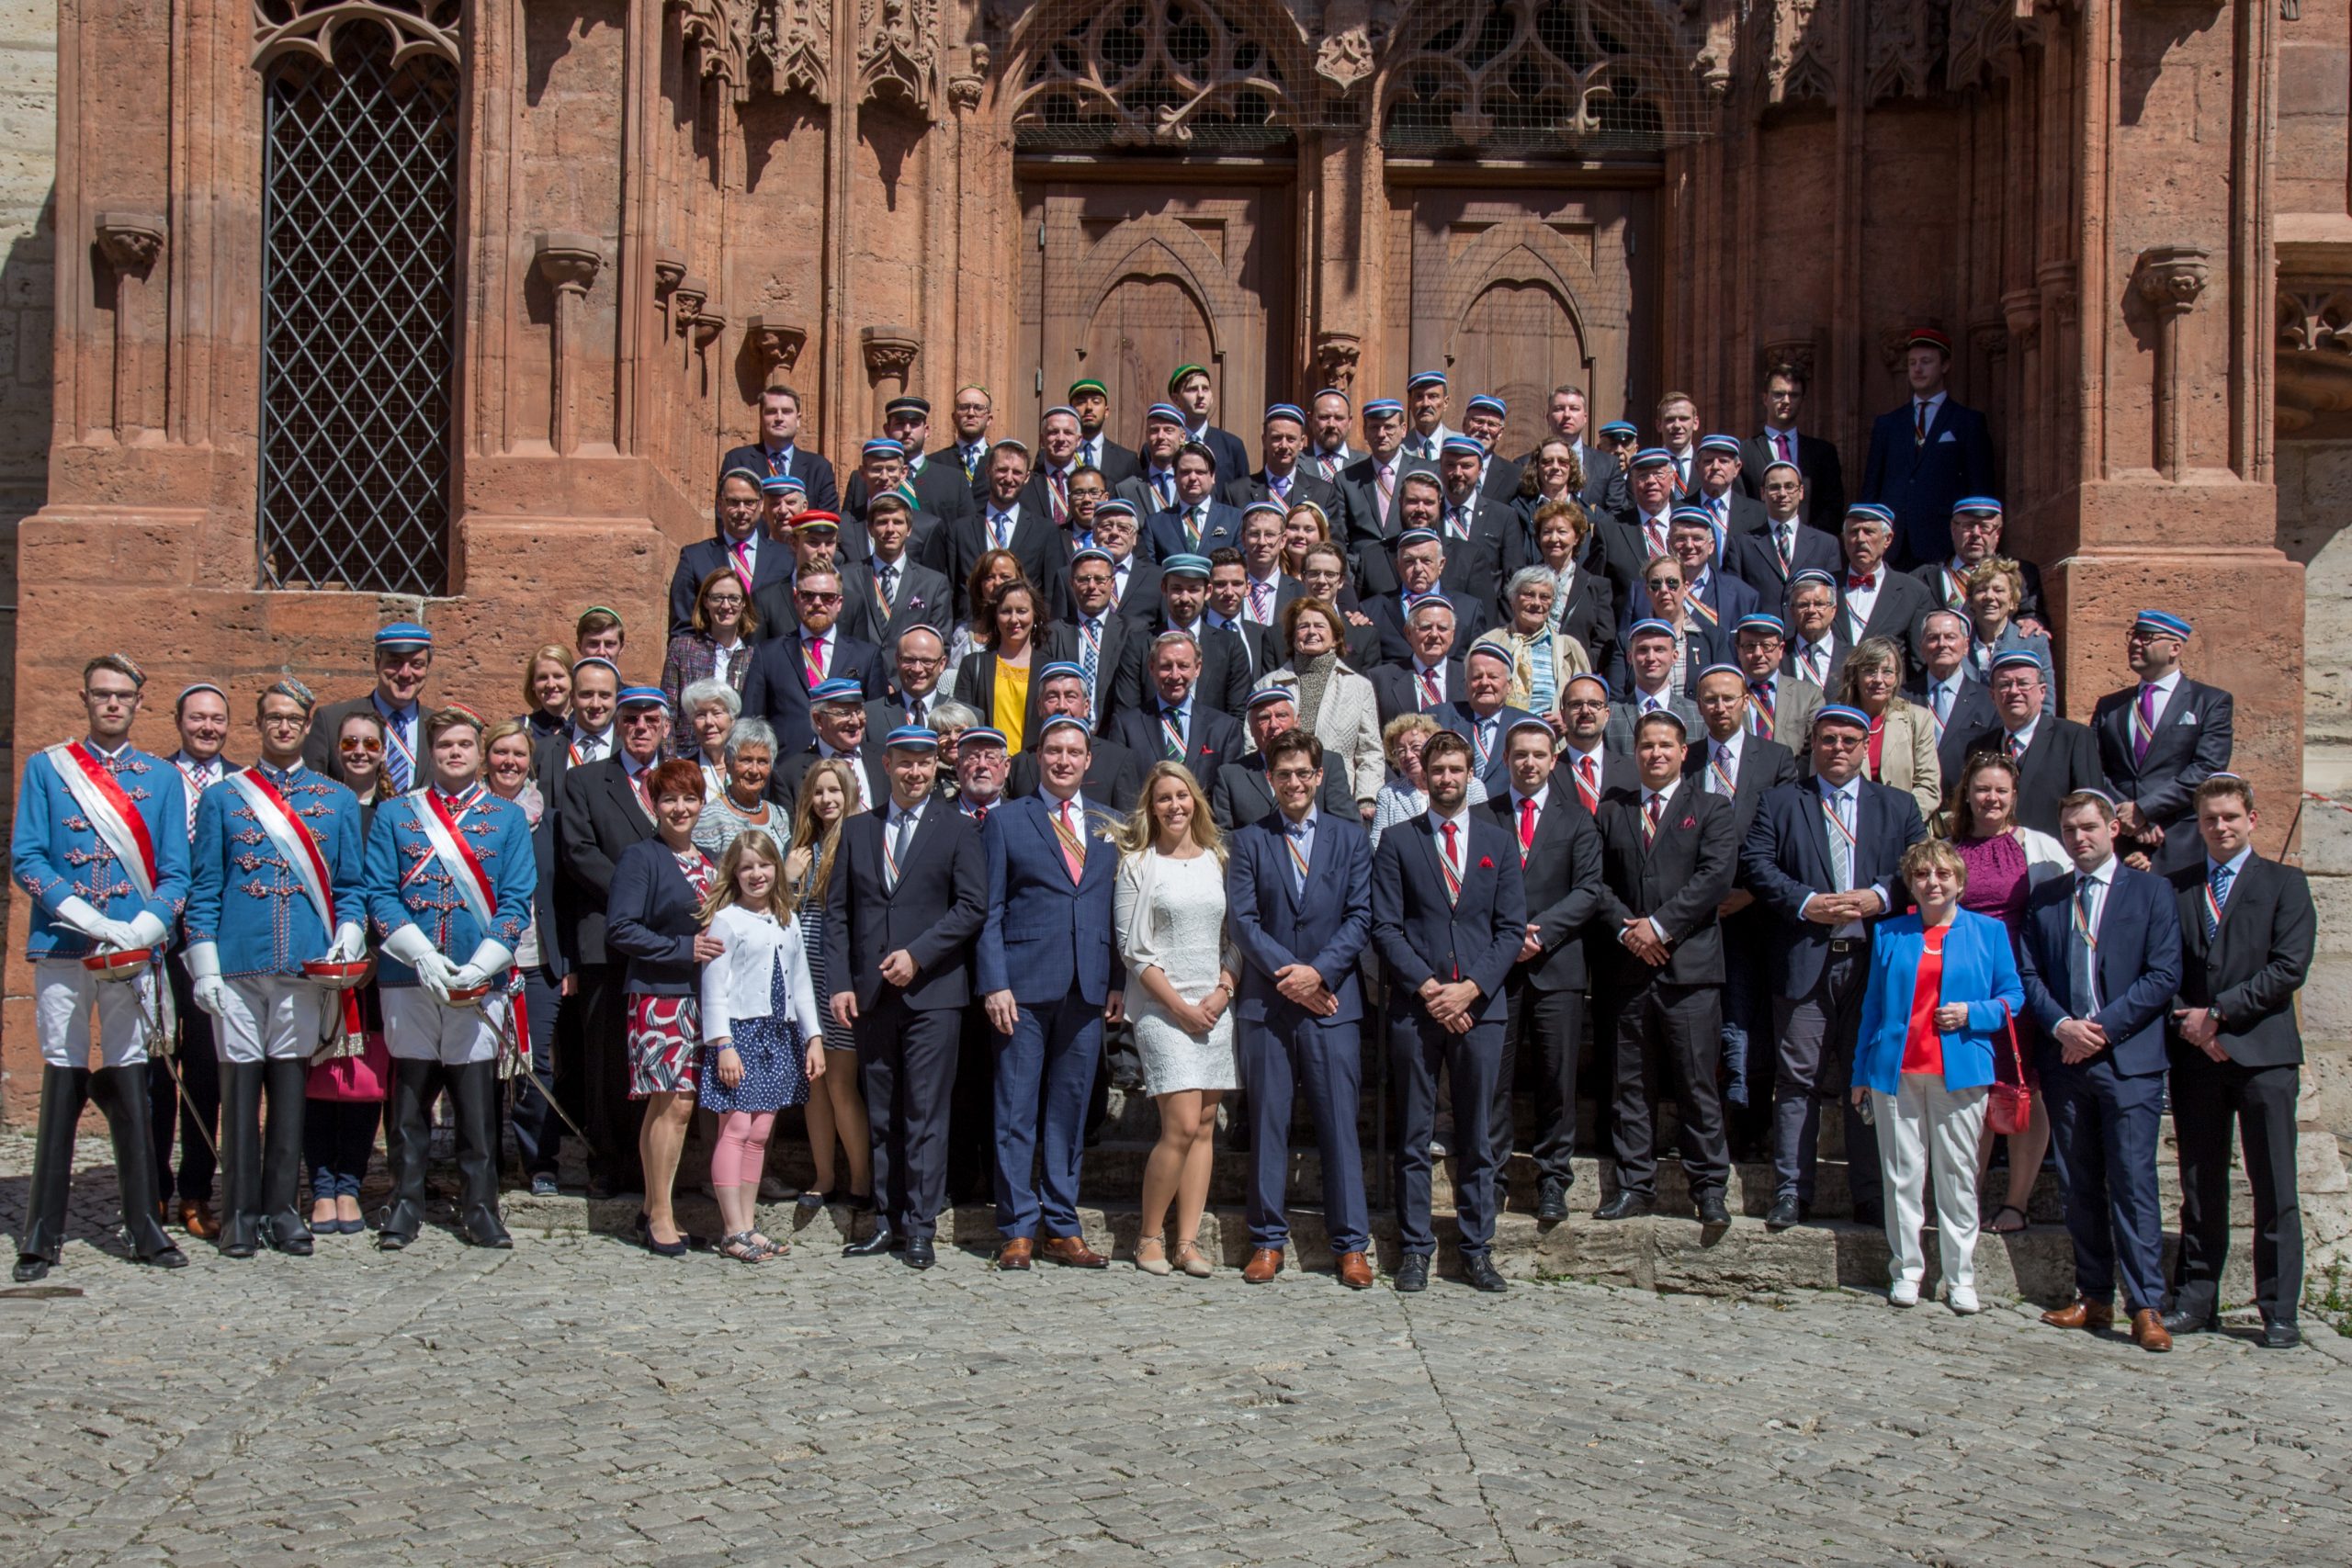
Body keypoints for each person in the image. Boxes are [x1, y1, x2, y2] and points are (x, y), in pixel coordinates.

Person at [12, 653, 191, 1282]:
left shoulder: (161, 778)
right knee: (62, 1070)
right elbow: (28, 858)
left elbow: (176, 874)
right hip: (64, 943)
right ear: (85, 698)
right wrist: (89, 919)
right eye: (101, 694)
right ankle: (41, 1232)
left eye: (123, 695)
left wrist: (141, 930)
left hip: (133, 950)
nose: (112, 703)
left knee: (133, 1073)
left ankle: (144, 1224)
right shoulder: (48, 767)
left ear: (139, 702)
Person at [184, 676, 366, 1258]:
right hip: (237, 965)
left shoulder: (336, 800)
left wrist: (348, 935)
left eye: (293, 718)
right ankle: (240, 1212)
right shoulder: (224, 797)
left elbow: (351, 887)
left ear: (308, 725)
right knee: (239, 1091)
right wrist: (205, 966)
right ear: (259, 724)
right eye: (273, 717)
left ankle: (283, 1209)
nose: (283, 726)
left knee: (289, 1091)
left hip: (302, 966)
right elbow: (205, 887)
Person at [1741, 703, 1928, 1231]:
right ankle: (1790, 1191)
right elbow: (1757, 864)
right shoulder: (1781, 801)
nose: (1838, 748)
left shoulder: (1898, 805)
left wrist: (1879, 897)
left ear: (1866, 747)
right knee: (1796, 1080)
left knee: (1866, 1079)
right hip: (1805, 961)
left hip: (1872, 965)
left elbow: (1919, 868)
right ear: (1814, 746)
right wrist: (1806, 903)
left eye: (1849, 740)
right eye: (1828, 740)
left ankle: (1869, 1194)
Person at [2016, 789, 2184, 1352]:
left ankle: (2146, 1304)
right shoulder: (2048, 897)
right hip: (2066, 1061)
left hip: (2127, 1062)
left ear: (2113, 828)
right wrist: (2063, 1026)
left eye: (2088, 827)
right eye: (2069, 829)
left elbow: (2163, 975)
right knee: (2078, 1183)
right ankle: (2094, 1295)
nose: (2078, 838)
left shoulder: (2152, 891)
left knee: (2133, 1183)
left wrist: (2101, 1029)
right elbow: (2029, 974)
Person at [364, 704, 534, 1252]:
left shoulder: (506, 818)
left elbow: (516, 901)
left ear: (479, 753)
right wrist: (420, 956)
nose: (454, 753)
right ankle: (405, 1203)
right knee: (408, 1101)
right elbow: (379, 893)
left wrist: (481, 967)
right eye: (444, 745)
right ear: (430, 752)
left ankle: (481, 1206)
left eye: (464, 744)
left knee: (476, 1104)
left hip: (477, 979)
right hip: (408, 977)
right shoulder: (396, 814)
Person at [2162, 776, 2316, 1348]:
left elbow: (2288, 967)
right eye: (2210, 818)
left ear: (2251, 820)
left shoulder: (2284, 884)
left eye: (2230, 817)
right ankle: (2196, 1299)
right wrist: (2193, 1024)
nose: (2220, 827)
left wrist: (2220, 1015)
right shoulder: (2176, 887)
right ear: (2199, 825)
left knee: (2274, 1184)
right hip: (2196, 1058)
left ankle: (2279, 1309)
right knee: (2200, 1184)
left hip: (2263, 1057)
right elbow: (2162, 967)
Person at [1372, 729, 1526, 1294]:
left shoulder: (1499, 841)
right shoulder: (1398, 840)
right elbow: (1385, 927)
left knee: (1477, 1134)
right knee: (1414, 1134)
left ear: (1469, 774)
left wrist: (1471, 989)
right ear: (1423, 775)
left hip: (1481, 1009)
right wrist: (1432, 989)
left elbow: (1510, 929)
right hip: (1418, 1007)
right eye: (1437, 770)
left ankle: (1477, 1249)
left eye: (1456, 769)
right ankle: (1415, 1249)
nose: (1446, 779)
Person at [827, 726, 987, 1269]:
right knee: (882, 1114)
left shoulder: (958, 828)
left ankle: (920, 1226)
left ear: (934, 769)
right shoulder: (857, 830)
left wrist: (918, 955)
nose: (914, 772)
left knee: (925, 1114)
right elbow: (838, 913)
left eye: (923, 764)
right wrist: (841, 982)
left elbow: (972, 906)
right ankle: (885, 1220)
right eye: (904, 762)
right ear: (887, 764)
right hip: (872, 996)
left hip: (933, 993)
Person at [1219, 730, 1375, 1285]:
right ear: (1270, 779)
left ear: (1319, 776)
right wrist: (1294, 977)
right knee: (1267, 1124)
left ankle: (1351, 1245)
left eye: (1303, 773)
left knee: (1339, 1125)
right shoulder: (1249, 841)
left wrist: (1319, 974)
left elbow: (1361, 915)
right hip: (1268, 1005)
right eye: (1283, 774)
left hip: (1333, 1003)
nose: (1294, 783)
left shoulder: (1349, 837)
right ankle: (1266, 1241)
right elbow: (1243, 922)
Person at [1850, 839, 2024, 1314]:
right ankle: (1906, 1270)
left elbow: (2013, 996)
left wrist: (1973, 1012)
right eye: (1923, 875)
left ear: (1960, 882)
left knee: (1957, 1175)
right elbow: (1872, 1007)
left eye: (1943, 874)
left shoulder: (1988, 932)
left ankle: (1960, 1276)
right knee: (1901, 1176)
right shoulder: (1891, 933)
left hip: (1960, 1069)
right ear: (1911, 884)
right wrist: (1860, 1071)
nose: (1933, 883)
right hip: (1895, 1071)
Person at [975, 716, 1124, 1269]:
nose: (1063, 761)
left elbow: (1117, 908)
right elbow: (989, 910)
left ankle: (1062, 1226)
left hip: (1087, 988)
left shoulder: (1109, 825)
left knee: (1070, 1111)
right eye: (1054, 751)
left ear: (1089, 761)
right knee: (1015, 1110)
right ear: (1038, 757)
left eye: (1073, 752)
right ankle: (1017, 1228)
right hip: (1022, 988)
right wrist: (994, 982)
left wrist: (1117, 980)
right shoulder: (1007, 820)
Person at [1590, 711, 1737, 1225]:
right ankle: (1635, 1184)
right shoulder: (1612, 811)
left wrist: (1660, 926)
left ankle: (1709, 1188)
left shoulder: (1713, 808)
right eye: (1647, 746)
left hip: (1690, 972)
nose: (1656, 754)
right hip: (1628, 970)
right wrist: (1629, 931)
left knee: (1697, 1083)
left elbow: (1715, 877)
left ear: (1683, 752)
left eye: (1665, 745)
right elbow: (1595, 883)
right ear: (1635, 753)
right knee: (1630, 1084)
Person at [1943, 751, 2070, 1235]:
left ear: (2014, 796)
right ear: (1967, 794)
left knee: (2023, 1090)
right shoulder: (1948, 849)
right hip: (1962, 985)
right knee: (1969, 1093)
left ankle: (2017, 1202)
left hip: (2019, 983)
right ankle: (1965, 1200)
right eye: (1982, 789)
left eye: (2000, 790)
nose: (1991, 798)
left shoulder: (2038, 847)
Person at [1485, 717, 1603, 1222]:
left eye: (1538, 755)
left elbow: (1589, 890)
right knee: (1494, 1080)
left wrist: (1538, 934)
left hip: (1558, 967)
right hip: (1497, 971)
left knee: (1557, 1079)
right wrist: (1509, 939)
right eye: (1520, 755)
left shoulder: (1577, 818)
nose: (1529, 763)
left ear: (1554, 760)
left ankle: (1554, 1179)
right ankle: (1490, 1179)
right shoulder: (1483, 816)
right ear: (1506, 760)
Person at [555, 683, 670, 1198]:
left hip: (667, 939)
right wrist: (637, 897)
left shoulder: (678, 778)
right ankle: (608, 1161)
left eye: (651, 720)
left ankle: (656, 1165)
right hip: (606, 936)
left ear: (665, 726)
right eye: (631, 719)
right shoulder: (584, 780)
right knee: (605, 1054)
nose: (641, 728)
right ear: (617, 725)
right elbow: (579, 853)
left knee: (659, 1050)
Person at [606, 760, 720, 1258]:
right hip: (660, 996)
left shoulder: (710, 859)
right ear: (653, 804)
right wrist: (682, 949)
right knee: (674, 1104)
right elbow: (621, 928)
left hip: (703, 997)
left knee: (669, 1106)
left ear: (701, 803)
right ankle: (661, 1217)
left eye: (689, 798)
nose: (680, 808)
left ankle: (653, 1208)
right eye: (669, 799)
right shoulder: (641, 857)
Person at [697, 831, 827, 1263]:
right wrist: (723, 1044)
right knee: (734, 1129)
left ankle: (749, 1224)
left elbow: (801, 983)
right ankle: (731, 1230)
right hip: (739, 1036)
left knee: (759, 1134)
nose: (757, 874)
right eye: (747, 867)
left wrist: (813, 1038)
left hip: (778, 1035)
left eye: (765, 865)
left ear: (777, 868)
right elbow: (714, 986)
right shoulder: (727, 920)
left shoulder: (786, 919)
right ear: (734, 873)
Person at [1687, 663, 1801, 1146]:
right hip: (1697, 913)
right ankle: (1700, 1127)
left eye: (1729, 698)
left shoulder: (1775, 758)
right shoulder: (1686, 757)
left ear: (1746, 702)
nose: (1720, 707)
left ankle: (1752, 1127)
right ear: (1698, 705)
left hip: (1757, 910)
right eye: (1710, 699)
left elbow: (1789, 834)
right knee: (1699, 1020)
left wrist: (1751, 892)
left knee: (1753, 1018)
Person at [306, 708, 391, 1232]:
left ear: (384, 753)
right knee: (316, 1075)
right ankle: (321, 1185)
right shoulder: (314, 804)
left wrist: (375, 952)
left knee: (364, 1078)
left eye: (370, 744)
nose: (360, 751)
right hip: (320, 960)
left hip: (376, 964)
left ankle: (350, 1183)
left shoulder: (395, 813)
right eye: (350, 743)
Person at [777, 758, 870, 1212]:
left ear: (849, 794)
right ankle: (824, 1176)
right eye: (818, 791)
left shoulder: (859, 839)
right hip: (801, 976)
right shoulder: (798, 848)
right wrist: (787, 877)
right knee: (813, 1082)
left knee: (840, 1082)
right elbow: (774, 911)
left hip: (840, 978)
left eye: (834, 790)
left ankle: (861, 1180)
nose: (826, 799)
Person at [157, 682, 232, 1240]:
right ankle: (151, 1186)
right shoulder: (154, 777)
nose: (207, 727)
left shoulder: (240, 785)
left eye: (216, 719)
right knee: (156, 1067)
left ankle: (195, 1190)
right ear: (179, 721)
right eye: (197, 718)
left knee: (206, 1068)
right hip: (156, 939)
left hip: (213, 941)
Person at [484, 717, 568, 1200]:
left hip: (537, 960)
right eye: (501, 752)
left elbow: (564, 893)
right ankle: (486, 1163)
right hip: (482, 960)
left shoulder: (549, 821)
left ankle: (541, 1163)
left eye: (518, 754)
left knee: (536, 1067)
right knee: (482, 1066)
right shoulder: (469, 818)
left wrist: (566, 963)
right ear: (486, 759)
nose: (510, 762)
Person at [2092, 609, 2233, 875]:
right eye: (2134, 636)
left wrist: (2145, 809)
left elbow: (2206, 768)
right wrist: (2127, 814)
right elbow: (2092, 767)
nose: (2135, 643)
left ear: (2175, 648)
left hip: (2178, 840)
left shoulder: (2208, 702)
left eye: (2147, 637)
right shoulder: (2110, 706)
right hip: (2119, 838)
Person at [1859, 327, 1997, 565]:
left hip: (1943, 541)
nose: (1917, 369)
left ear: (1945, 365)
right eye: (1912, 363)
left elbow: (1979, 486)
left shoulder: (1967, 421)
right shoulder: (1888, 424)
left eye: (1926, 362)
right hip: (1893, 542)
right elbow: (1872, 487)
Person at [740, 566, 889, 758]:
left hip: (846, 765)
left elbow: (877, 722)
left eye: (827, 597)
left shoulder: (866, 656)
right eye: (808, 595)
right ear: (796, 599)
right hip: (785, 766)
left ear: (839, 603)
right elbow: (750, 721)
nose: (817, 603)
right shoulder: (768, 654)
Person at [1258, 597, 1383, 811]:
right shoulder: (1267, 685)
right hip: (1281, 799)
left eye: (1320, 626)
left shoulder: (1359, 687)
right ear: (1292, 636)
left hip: (1339, 799)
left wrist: (1367, 798)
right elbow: (1253, 744)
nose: (1311, 632)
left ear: (1335, 638)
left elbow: (1370, 751)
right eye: (1303, 626)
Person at [1968, 651, 2106, 835]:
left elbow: (2091, 807)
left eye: (2023, 683)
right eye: (2005, 685)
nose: (2014, 691)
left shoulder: (2074, 738)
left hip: (2054, 850)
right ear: (1993, 696)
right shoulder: (1979, 747)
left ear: (2042, 692)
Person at [307, 621, 433, 789]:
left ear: (427, 668)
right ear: (377, 664)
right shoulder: (331, 721)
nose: (405, 673)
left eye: (417, 664)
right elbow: (309, 791)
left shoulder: (442, 729)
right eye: (395, 662)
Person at [670, 468, 792, 639]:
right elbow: (682, 630)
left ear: (761, 505)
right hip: (713, 654)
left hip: (770, 654)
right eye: (733, 502)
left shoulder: (786, 557)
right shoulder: (694, 558)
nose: (741, 510)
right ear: (720, 505)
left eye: (749, 502)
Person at [1111, 631, 1245, 785]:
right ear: (1152, 668)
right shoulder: (1126, 726)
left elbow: (1230, 789)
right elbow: (1121, 788)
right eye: (1166, 666)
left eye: (1183, 666)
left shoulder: (1224, 728)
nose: (1175, 675)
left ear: (1197, 668)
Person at [1835, 637, 1941, 819]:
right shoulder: (1835, 720)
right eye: (1870, 671)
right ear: (1855, 675)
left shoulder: (1918, 719)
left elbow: (1928, 786)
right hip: (1848, 822)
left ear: (1897, 677)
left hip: (1904, 824)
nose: (1878, 679)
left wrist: (1897, 821)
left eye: (1887, 672)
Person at [952, 577, 1058, 749]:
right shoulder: (973, 665)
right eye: (1006, 611)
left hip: (1033, 763)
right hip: (986, 761)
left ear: (1035, 615)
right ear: (995, 616)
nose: (1014, 619)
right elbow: (961, 724)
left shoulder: (1050, 670)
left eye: (1022, 611)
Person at [1737, 362, 1847, 528]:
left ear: (1802, 400)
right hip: (1758, 540)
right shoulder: (1744, 451)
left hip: (1811, 541)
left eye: (1794, 395)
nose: (1786, 401)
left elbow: (1833, 508)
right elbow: (1739, 506)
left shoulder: (1823, 453)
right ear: (1765, 398)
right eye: (1779, 394)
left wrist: (1806, 538)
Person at [1487, 566, 1594, 722]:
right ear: (1513, 600)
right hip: (1501, 733)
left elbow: (1587, 699)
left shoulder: (1570, 649)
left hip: (1552, 735)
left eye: (1544, 597)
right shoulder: (1490, 643)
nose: (1536, 603)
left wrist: (1567, 719)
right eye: (1528, 595)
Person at [661, 570, 758, 743]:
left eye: (734, 598)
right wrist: (670, 757)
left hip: (738, 753)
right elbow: (667, 712)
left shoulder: (754, 657)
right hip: (688, 752)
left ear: (743, 603)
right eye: (717, 598)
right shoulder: (682, 648)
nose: (726, 606)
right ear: (706, 601)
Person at [1368, 711, 1490, 847]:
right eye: (1401, 751)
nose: (1408, 755)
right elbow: (1378, 843)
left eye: (1415, 747)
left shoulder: (1472, 787)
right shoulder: (1389, 794)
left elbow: (1485, 834)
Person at [1525, 499, 1617, 679]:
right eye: (1547, 532)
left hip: (1578, 676)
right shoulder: (1523, 581)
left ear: (1576, 538)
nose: (1554, 539)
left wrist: (1577, 667)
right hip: (1530, 675)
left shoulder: (1596, 586)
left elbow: (1604, 641)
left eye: (1562, 532)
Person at [1909, 608, 2000, 787]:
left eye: (1950, 637)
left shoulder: (1989, 701)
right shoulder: (1902, 698)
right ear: (1921, 647)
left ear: (1966, 646)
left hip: (1965, 800)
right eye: (1933, 638)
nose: (1942, 644)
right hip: (1912, 797)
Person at [1733, 461, 1844, 604]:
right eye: (1774, 487)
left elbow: (1833, 600)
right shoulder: (1742, 545)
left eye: (1789, 486)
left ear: (1801, 491)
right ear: (1762, 493)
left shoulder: (1826, 544)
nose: (1782, 494)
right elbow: (1734, 598)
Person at [720, 382, 839, 511]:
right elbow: (724, 513)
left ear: (798, 419)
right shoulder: (737, 461)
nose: (779, 418)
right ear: (761, 417)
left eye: (786, 412)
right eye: (771, 412)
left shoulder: (819, 468)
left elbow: (828, 520)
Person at [693, 718, 787, 860]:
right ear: (728, 763)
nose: (754, 770)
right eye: (746, 760)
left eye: (762, 762)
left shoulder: (779, 815)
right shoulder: (710, 817)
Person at [1731, 613, 1821, 748]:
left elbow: (1815, 748)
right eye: (1750, 646)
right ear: (1738, 650)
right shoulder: (1726, 696)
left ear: (1780, 649)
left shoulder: (1808, 696)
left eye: (1766, 646)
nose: (1758, 654)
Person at [944, 549, 1025, 692]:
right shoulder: (963, 634)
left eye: (1005, 577)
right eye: (989, 578)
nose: (997, 583)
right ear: (979, 585)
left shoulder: (1029, 632)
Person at [1168, 362, 1250, 483]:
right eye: (1192, 389)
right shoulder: (1162, 445)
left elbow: (1243, 490)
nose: (1201, 395)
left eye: (1205, 389)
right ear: (1176, 399)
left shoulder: (1232, 446)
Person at [675, 679, 740, 798]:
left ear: (732, 720)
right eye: (700, 715)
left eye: (717, 713)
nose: (709, 722)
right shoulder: (682, 770)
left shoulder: (748, 766)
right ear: (692, 723)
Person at [520, 645, 573, 744]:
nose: (551, 685)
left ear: (572, 679)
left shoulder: (587, 727)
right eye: (543, 677)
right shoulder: (522, 729)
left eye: (558, 676)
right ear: (533, 684)